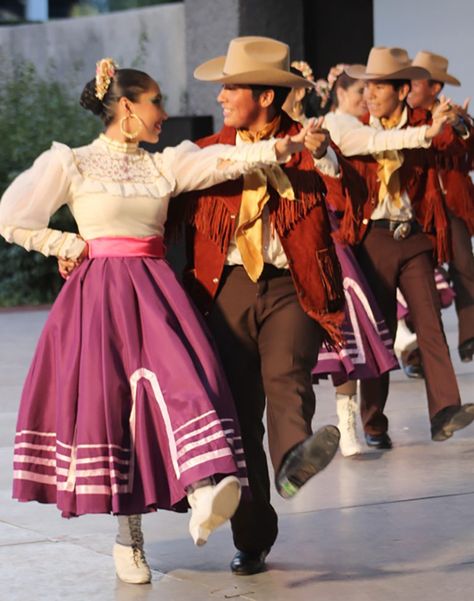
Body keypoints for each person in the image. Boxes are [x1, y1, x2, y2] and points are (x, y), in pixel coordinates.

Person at [0, 58, 314, 585]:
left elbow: (222, 163)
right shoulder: (72, 162)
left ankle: (201, 493)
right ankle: (130, 536)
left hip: (156, 295)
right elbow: (11, 214)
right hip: (98, 298)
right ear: (127, 108)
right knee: (117, 413)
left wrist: (277, 148)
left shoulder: (163, 164)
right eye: (157, 102)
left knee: (186, 385)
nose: (165, 113)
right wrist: (65, 242)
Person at [166, 36, 352, 576]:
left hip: (293, 287)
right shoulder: (205, 153)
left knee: (286, 378)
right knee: (240, 415)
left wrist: (320, 152)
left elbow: (346, 194)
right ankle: (253, 535)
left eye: (232, 87)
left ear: (266, 97)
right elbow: (154, 207)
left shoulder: (310, 144)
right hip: (225, 291)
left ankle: (295, 456)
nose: (222, 96)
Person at [283, 60, 449, 454]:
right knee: (296, 350)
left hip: (328, 237)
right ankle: (298, 441)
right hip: (293, 245)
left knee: (349, 333)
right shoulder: (337, 124)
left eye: (371, 91)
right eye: (360, 92)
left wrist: (429, 131)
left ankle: (348, 424)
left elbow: (357, 156)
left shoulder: (324, 130)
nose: (366, 98)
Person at [331, 46, 474, 448]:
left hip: (413, 235)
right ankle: (374, 423)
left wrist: (461, 124)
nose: (371, 93)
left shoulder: (430, 121)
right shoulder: (358, 127)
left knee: (429, 320)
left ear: (400, 90)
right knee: (381, 332)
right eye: (369, 86)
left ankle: (445, 409)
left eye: (379, 87)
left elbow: (458, 149)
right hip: (372, 237)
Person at [408, 51, 474, 364]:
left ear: (434, 88)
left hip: (452, 207)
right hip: (419, 209)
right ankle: (419, 350)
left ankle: (469, 336)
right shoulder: (407, 119)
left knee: (464, 266)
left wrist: (459, 123)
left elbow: (462, 147)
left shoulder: (453, 116)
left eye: (416, 82)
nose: (409, 87)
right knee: (421, 279)